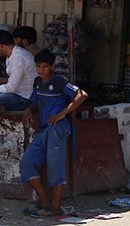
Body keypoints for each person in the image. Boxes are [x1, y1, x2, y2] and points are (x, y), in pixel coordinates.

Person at [20, 49, 88, 217]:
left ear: (52, 66)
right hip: (44, 129)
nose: (41, 70)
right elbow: (34, 101)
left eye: (44, 66)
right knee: (27, 162)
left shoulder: (59, 82)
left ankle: (55, 207)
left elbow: (82, 95)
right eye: (38, 66)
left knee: (54, 168)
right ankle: (44, 201)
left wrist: (62, 113)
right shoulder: (37, 82)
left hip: (57, 129)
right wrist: (28, 110)